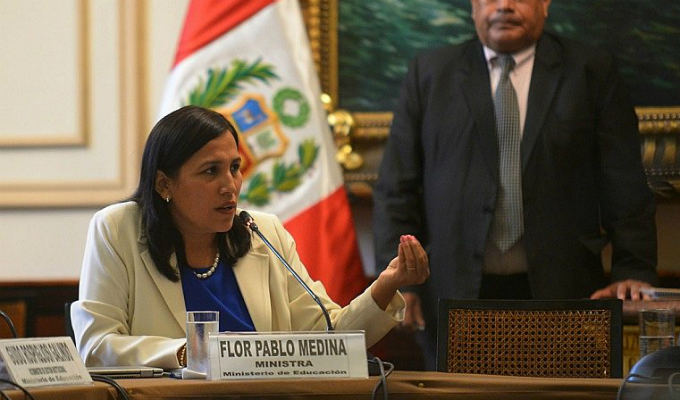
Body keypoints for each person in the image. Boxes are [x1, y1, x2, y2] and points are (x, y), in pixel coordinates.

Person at [373, 0, 657, 370]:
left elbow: (624, 181)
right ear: (474, 7)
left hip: (565, 294)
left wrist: (633, 269)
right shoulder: (430, 74)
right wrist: (400, 284)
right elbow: (396, 188)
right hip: (452, 297)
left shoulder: (590, 71)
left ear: (545, 4)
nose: (504, 5)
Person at [71, 105, 429, 369]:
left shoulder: (262, 231)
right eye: (210, 171)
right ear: (164, 184)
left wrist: (386, 285)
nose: (230, 186)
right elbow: (96, 346)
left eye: (234, 168)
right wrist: (187, 353)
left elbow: (329, 337)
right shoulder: (117, 229)